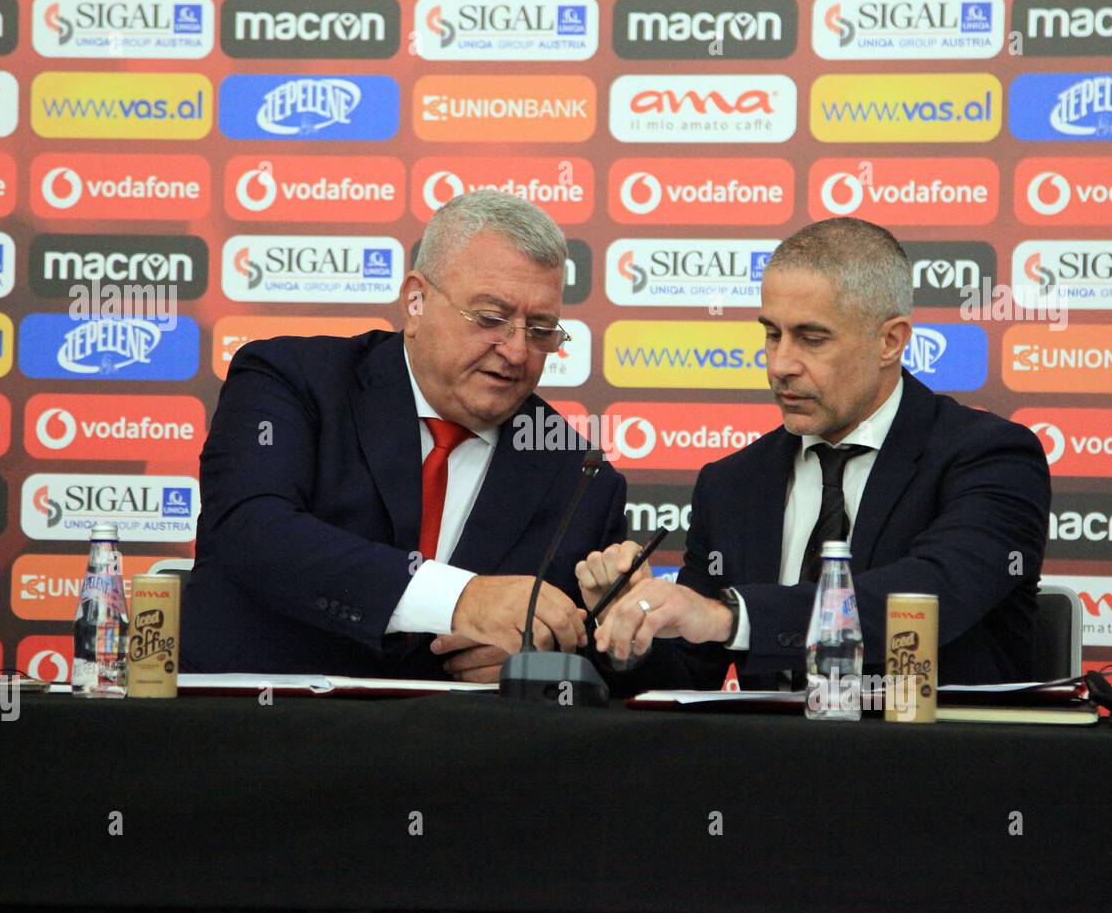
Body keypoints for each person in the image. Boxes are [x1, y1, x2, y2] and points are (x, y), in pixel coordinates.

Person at [580, 217, 1052, 688]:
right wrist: (626, 626)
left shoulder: (992, 456)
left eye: (812, 339)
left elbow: (927, 599)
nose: (780, 365)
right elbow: (685, 676)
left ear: (890, 341)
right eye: (771, 333)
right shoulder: (732, 484)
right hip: (767, 760)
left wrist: (729, 616)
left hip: (933, 756)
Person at [182, 191, 627, 681]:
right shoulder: (291, 380)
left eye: (540, 329)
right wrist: (461, 600)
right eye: (491, 319)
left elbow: (596, 658)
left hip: (464, 750)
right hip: (263, 730)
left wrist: (542, 661)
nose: (518, 352)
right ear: (416, 300)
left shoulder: (578, 473)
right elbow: (252, 531)